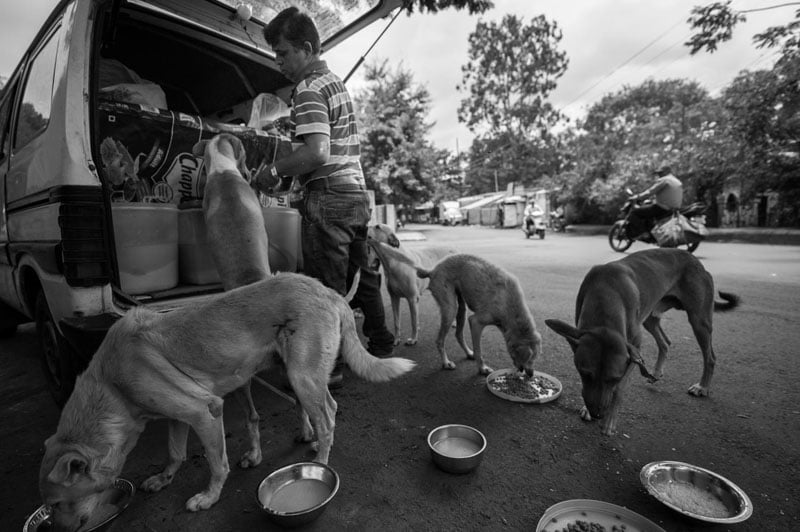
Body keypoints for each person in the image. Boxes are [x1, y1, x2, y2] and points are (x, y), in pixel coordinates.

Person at [258, 7, 394, 387]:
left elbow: (316, 153)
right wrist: (296, 124)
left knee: (325, 287)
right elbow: (329, 138)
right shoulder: (334, 83)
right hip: (355, 193)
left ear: (305, 48)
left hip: (328, 195)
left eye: (283, 53)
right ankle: (381, 341)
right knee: (364, 274)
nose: (279, 62)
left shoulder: (306, 89)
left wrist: (273, 170)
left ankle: (328, 369)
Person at [627, 166, 683, 238]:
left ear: (666, 172)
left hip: (662, 208)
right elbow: (665, 193)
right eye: (658, 173)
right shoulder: (677, 181)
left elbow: (650, 192)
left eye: (661, 173)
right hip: (675, 209)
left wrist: (637, 197)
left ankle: (644, 233)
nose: (659, 175)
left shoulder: (664, 180)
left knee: (634, 213)